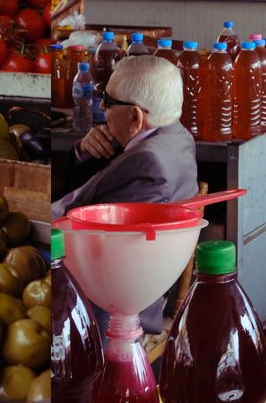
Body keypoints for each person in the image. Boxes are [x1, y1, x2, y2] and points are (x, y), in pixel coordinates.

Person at [55, 55, 199, 336]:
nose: (101, 109)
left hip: (106, 306)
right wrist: (85, 152)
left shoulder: (147, 165)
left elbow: (105, 252)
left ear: (135, 116)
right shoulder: (176, 137)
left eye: (108, 101)